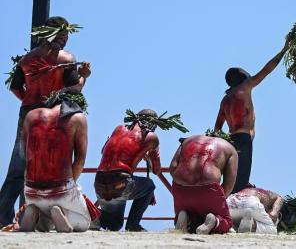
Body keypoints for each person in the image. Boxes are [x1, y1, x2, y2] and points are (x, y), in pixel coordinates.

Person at [0, 17, 90, 226]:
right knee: (51, 163)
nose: (65, 40)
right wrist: (84, 76)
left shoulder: (26, 59)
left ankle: (5, 215)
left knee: (19, 165)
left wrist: (30, 102)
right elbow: (74, 88)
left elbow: (15, 88)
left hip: (28, 115)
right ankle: (43, 217)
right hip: (54, 117)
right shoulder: (66, 58)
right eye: (63, 36)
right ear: (56, 35)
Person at [213, 42, 288, 193]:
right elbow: (267, 70)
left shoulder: (225, 100)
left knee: (231, 179)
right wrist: (284, 50)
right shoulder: (244, 88)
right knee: (240, 183)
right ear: (242, 78)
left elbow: (217, 129)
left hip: (230, 140)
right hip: (243, 139)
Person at [94, 109, 174, 232]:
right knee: (149, 185)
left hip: (99, 183)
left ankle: (91, 217)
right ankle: (133, 224)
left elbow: (103, 151)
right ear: (154, 124)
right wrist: (146, 155)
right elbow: (156, 170)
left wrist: (139, 153)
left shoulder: (119, 128)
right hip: (121, 183)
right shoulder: (151, 137)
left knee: (114, 225)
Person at [19, 99, 91, 232]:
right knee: (84, 222)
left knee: (45, 220)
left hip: (31, 191)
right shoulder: (78, 118)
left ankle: (33, 210)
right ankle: (61, 216)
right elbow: (80, 160)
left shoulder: (30, 116)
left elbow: (26, 153)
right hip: (60, 189)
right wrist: (71, 185)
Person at [170, 134, 238, 234]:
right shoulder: (230, 148)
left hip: (180, 188)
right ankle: (215, 221)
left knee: (193, 216)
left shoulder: (187, 141)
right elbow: (229, 185)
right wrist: (217, 200)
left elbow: (172, 168)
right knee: (226, 222)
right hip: (208, 188)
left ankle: (185, 216)